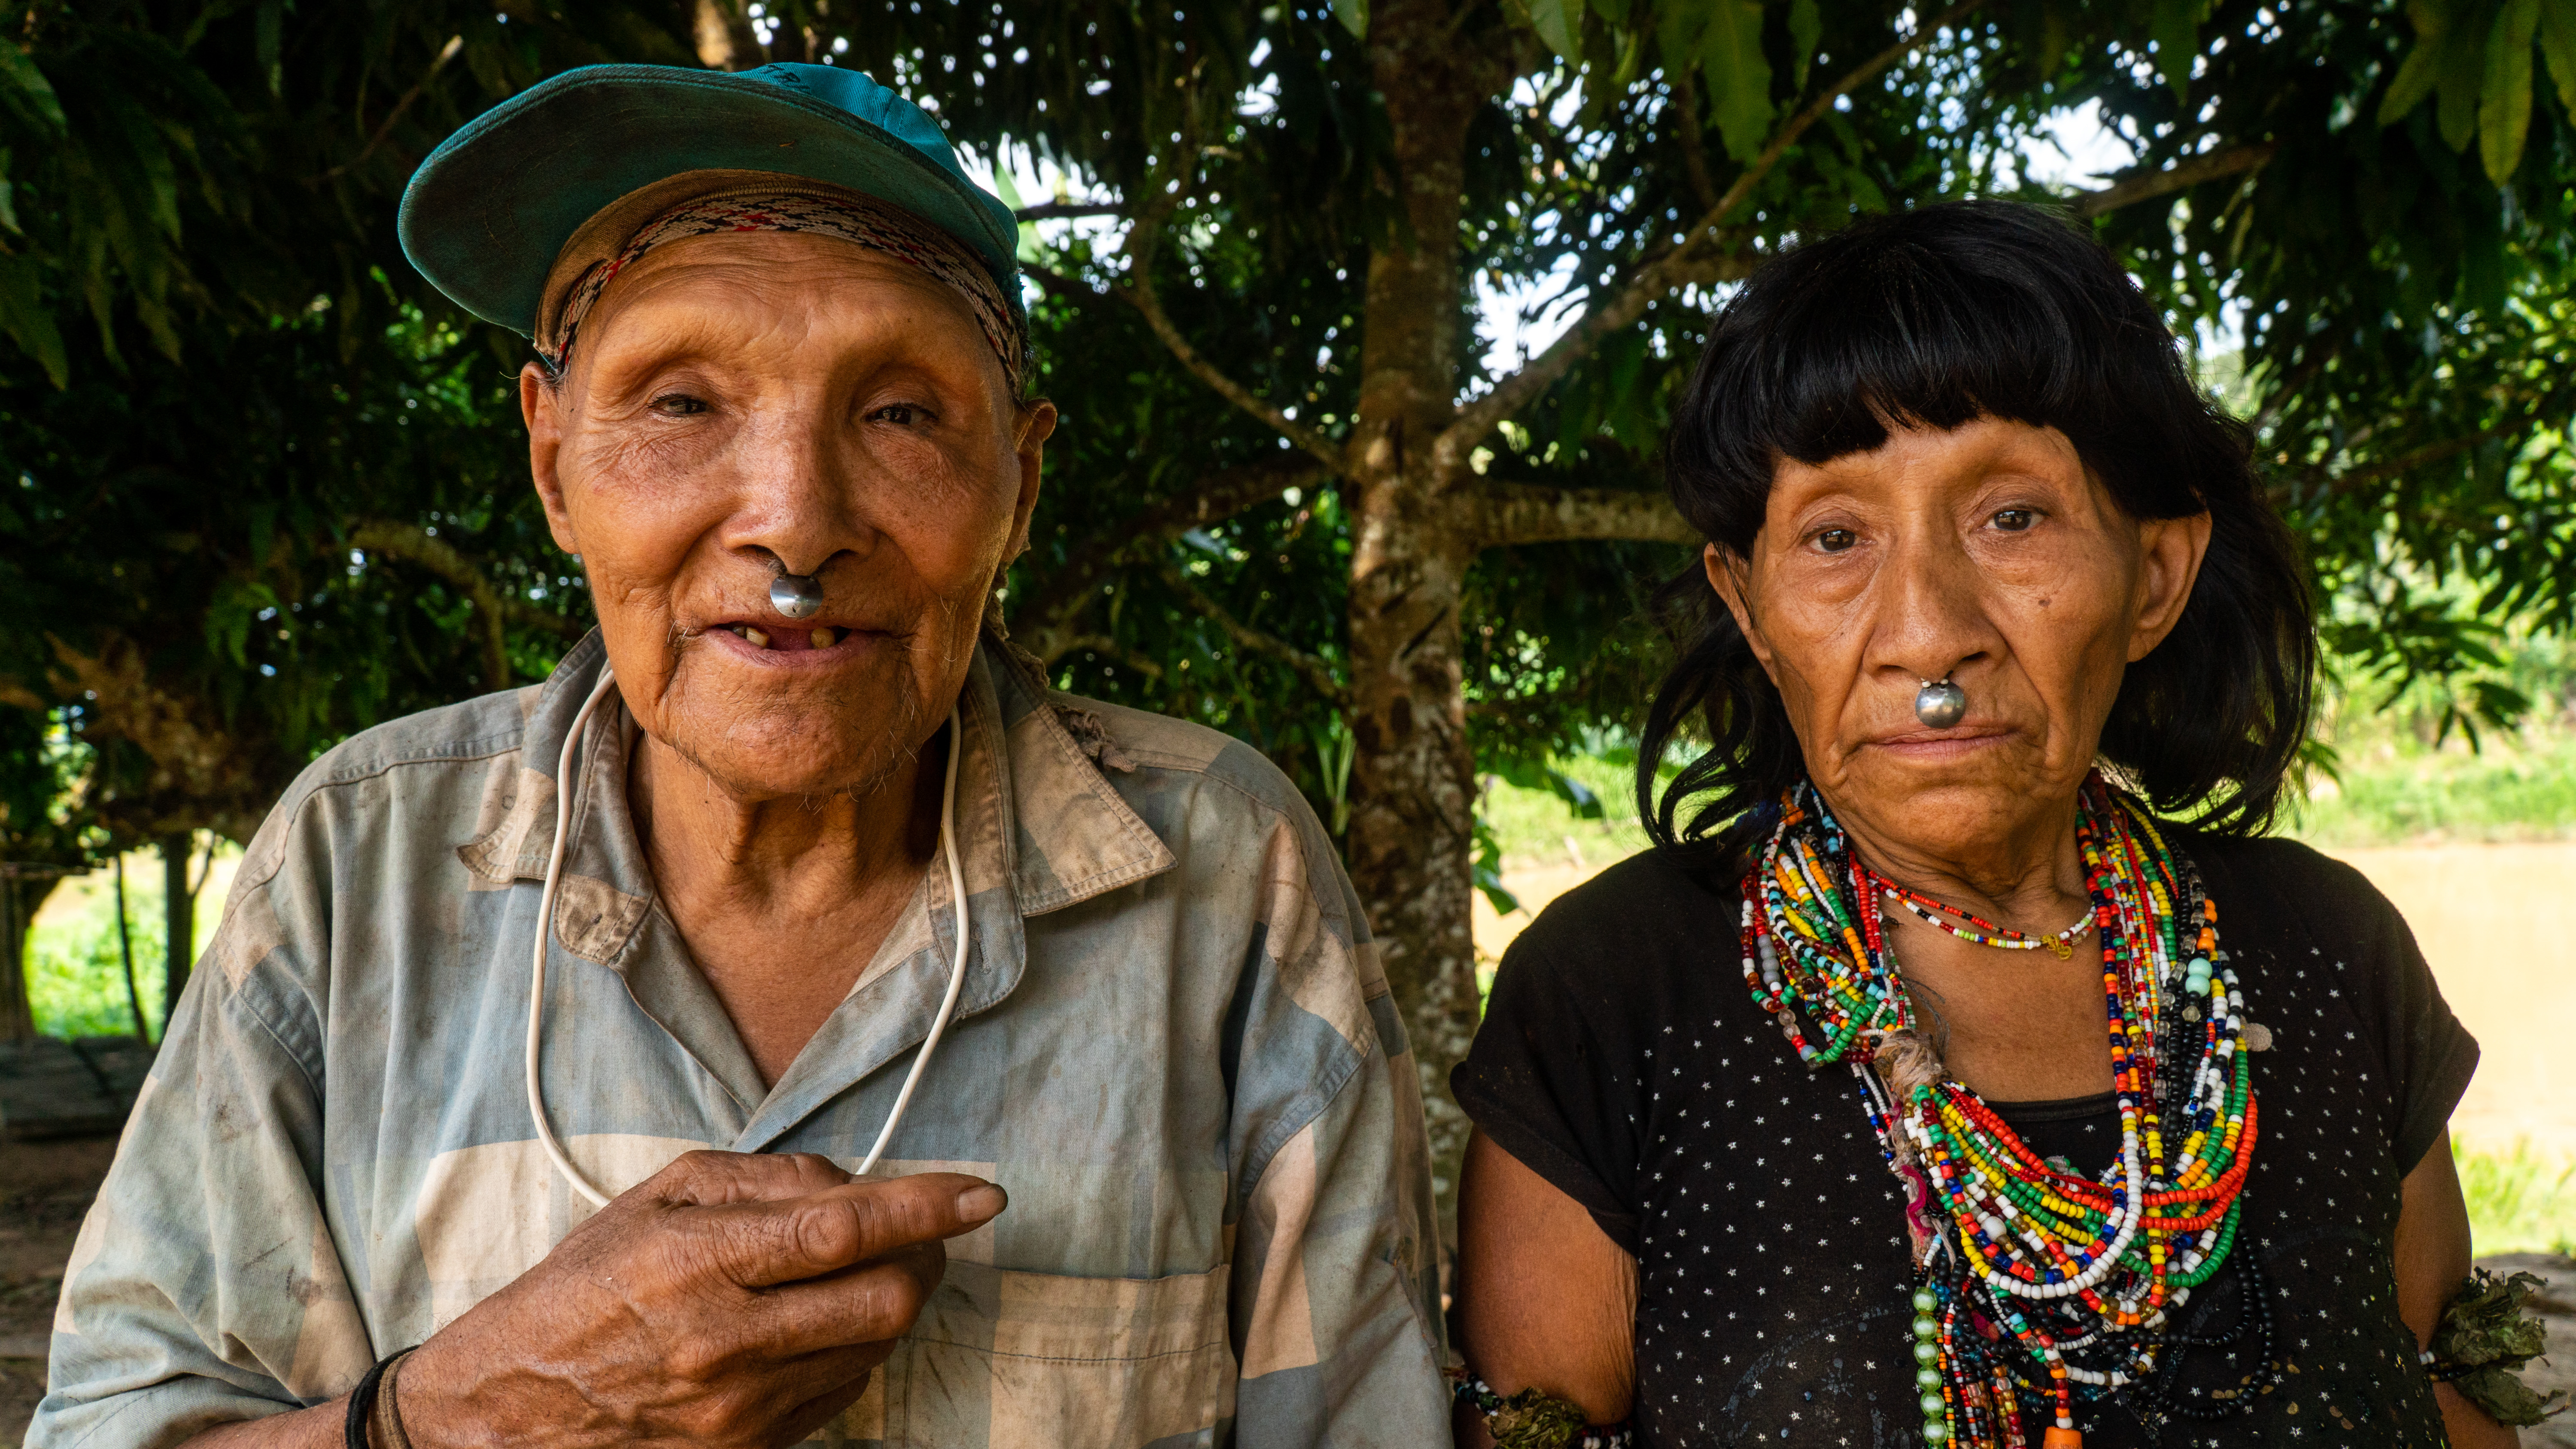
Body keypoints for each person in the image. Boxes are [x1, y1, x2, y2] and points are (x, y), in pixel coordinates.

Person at [33, 62, 1447, 1449]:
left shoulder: (1219, 869)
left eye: (899, 413)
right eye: (682, 404)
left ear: (1022, 482)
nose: (794, 524)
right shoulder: (360, 859)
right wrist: (464, 1418)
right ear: (551, 466)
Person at [1447, 201, 2521, 1448]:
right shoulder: (1612, 994)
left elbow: (2447, 1393)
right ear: (1747, 603)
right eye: (1836, 537)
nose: (1927, 634)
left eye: (2012, 517)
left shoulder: (2327, 948)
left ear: (2157, 576)